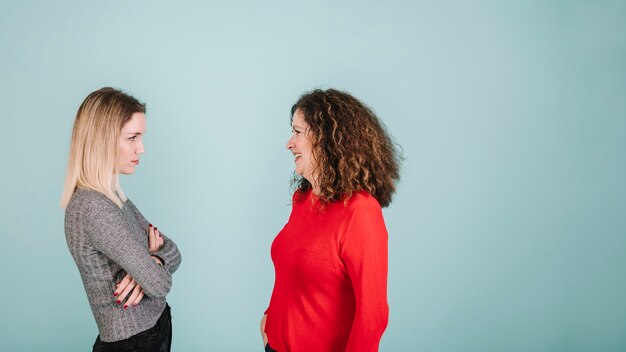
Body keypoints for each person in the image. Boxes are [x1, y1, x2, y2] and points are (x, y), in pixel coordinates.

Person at [261, 88, 401, 352]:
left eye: (298, 132)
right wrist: (269, 319)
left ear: (326, 139)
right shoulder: (303, 199)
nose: (289, 143)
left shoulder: (361, 212)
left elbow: (373, 315)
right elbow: (292, 274)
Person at [61, 87, 182, 352]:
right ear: (102, 140)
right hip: (133, 342)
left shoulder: (114, 197)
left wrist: (155, 259)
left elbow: (172, 249)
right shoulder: (93, 207)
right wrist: (150, 267)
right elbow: (160, 284)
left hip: (152, 330)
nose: (142, 148)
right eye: (132, 137)